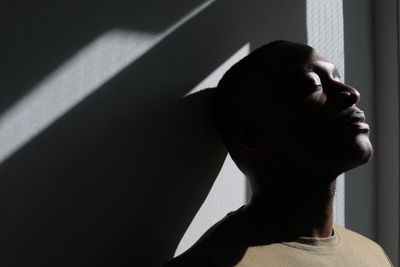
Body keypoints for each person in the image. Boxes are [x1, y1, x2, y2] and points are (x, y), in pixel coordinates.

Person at [165, 40, 393, 266]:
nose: (352, 93)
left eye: (338, 79)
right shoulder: (210, 262)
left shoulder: (374, 254)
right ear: (253, 133)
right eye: (313, 84)